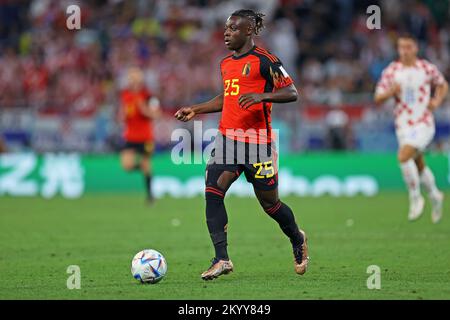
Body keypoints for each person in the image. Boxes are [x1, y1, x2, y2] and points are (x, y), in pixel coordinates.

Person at [174, 9, 309, 280]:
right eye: (226, 28)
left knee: (271, 206)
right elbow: (228, 98)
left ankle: (297, 237)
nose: (227, 33)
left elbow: (292, 92)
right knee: (213, 191)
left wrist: (262, 95)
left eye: (233, 29)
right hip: (228, 140)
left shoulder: (266, 61)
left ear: (248, 31)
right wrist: (196, 109)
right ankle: (222, 258)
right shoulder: (226, 64)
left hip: (258, 144)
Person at [374, 34, 449, 223]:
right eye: (401, 47)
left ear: (416, 48)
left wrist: (437, 100)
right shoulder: (392, 71)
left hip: (423, 122)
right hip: (403, 124)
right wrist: (391, 92)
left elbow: (442, 85)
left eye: (408, 47)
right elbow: (378, 97)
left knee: (403, 156)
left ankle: (416, 197)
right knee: (418, 162)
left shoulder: (426, 68)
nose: (405, 51)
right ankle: (435, 195)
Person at [119, 67, 161, 204]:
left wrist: (144, 110)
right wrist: (122, 116)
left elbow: (157, 114)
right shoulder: (125, 95)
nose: (133, 80)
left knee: (146, 164)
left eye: (135, 77)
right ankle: (143, 169)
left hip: (145, 137)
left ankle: (150, 196)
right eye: (131, 78)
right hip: (130, 136)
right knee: (127, 165)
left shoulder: (148, 96)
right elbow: (122, 114)